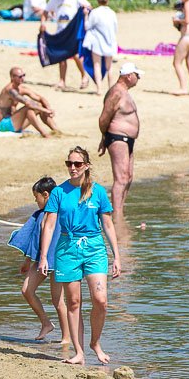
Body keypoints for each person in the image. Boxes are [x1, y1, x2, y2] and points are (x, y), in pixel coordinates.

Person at [38, 146, 122, 365]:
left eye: (77, 164)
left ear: (86, 166)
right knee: (73, 302)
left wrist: (117, 256)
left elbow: (107, 224)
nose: (72, 168)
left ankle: (95, 343)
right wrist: (44, 256)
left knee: (100, 300)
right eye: (69, 164)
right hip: (67, 247)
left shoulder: (99, 192)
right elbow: (48, 226)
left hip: (94, 246)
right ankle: (79, 352)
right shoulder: (58, 192)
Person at [8, 176, 67, 342]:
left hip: (57, 261)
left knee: (58, 300)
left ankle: (66, 338)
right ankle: (46, 323)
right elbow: (34, 239)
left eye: (37, 198)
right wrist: (27, 261)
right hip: (41, 259)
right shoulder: (40, 215)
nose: (36, 201)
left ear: (46, 195)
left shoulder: (59, 213)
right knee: (26, 289)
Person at [97, 63, 141, 225]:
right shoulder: (116, 93)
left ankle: (120, 211)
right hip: (117, 138)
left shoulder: (124, 93)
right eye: (137, 75)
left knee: (128, 177)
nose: (139, 78)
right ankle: (116, 216)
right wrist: (104, 137)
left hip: (127, 139)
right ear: (128, 76)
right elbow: (104, 118)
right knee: (120, 178)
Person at [42, 0, 91, 90]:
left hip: (74, 30)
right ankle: (62, 80)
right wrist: (43, 23)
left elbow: (88, 6)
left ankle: (84, 76)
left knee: (76, 55)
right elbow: (45, 12)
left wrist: (85, 10)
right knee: (61, 56)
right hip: (61, 30)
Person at [0, 67, 59, 137]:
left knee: (39, 105)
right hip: (4, 125)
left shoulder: (22, 88)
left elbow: (40, 98)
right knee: (29, 109)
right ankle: (44, 134)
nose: (22, 78)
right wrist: (46, 110)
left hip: (16, 123)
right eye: (20, 77)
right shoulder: (10, 90)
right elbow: (28, 103)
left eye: (24, 75)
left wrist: (48, 108)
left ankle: (56, 131)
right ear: (12, 77)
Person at [83, 0, 118, 91]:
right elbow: (116, 28)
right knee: (109, 67)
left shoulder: (95, 12)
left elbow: (87, 26)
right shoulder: (112, 13)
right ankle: (111, 89)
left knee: (97, 65)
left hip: (98, 42)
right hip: (110, 41)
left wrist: (86, 15)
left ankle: (99, 89)